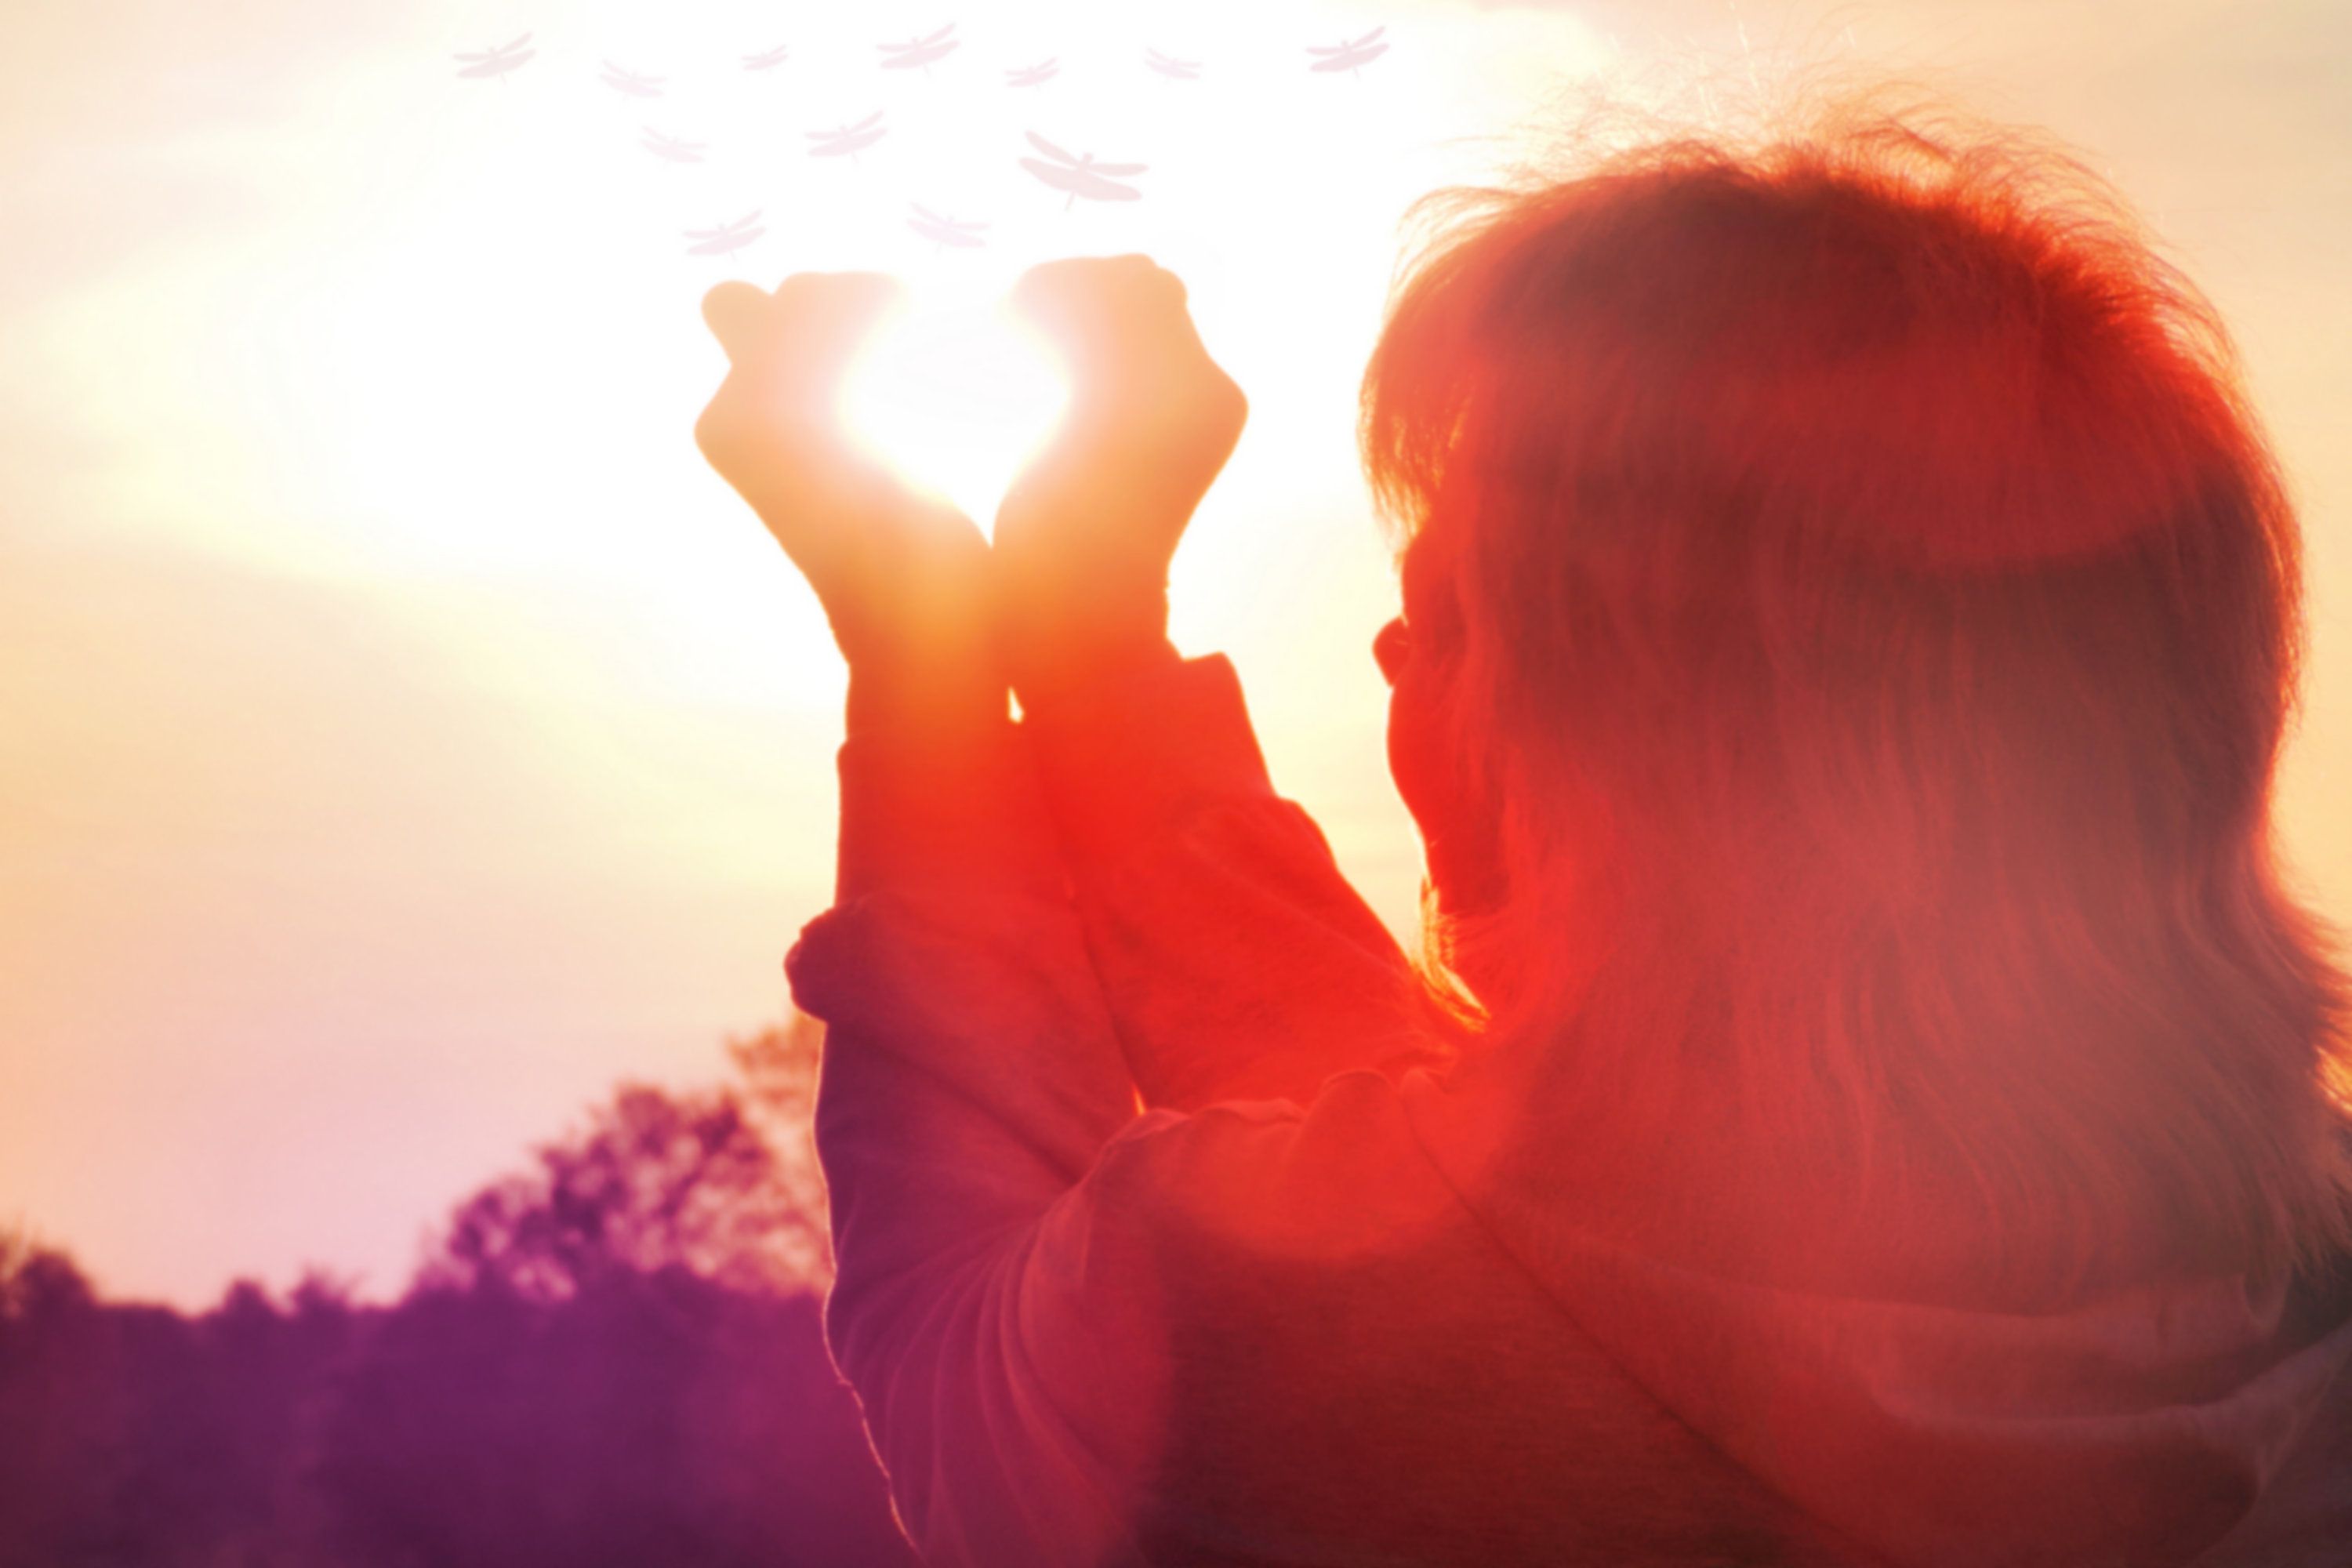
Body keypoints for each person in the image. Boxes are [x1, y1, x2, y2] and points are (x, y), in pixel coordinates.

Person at [691, 98, 2352, 1568]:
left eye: (1458, 617)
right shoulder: (2303, 1288)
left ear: (1634, 756)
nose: (1394, 657)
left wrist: (915, 649)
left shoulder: (1320, 1363)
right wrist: (1092, 630)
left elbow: (970, 1370)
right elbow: (1448, 1204)